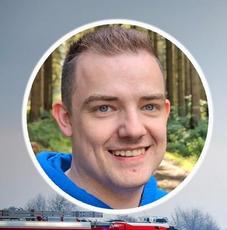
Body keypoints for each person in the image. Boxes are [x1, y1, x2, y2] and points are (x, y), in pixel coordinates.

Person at [39, 26, 170, 209]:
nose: (133, 130)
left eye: (149, 106)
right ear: (66, 119)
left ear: (165, 114)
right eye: (104, 108)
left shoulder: (173, 211)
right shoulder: (36, 202)